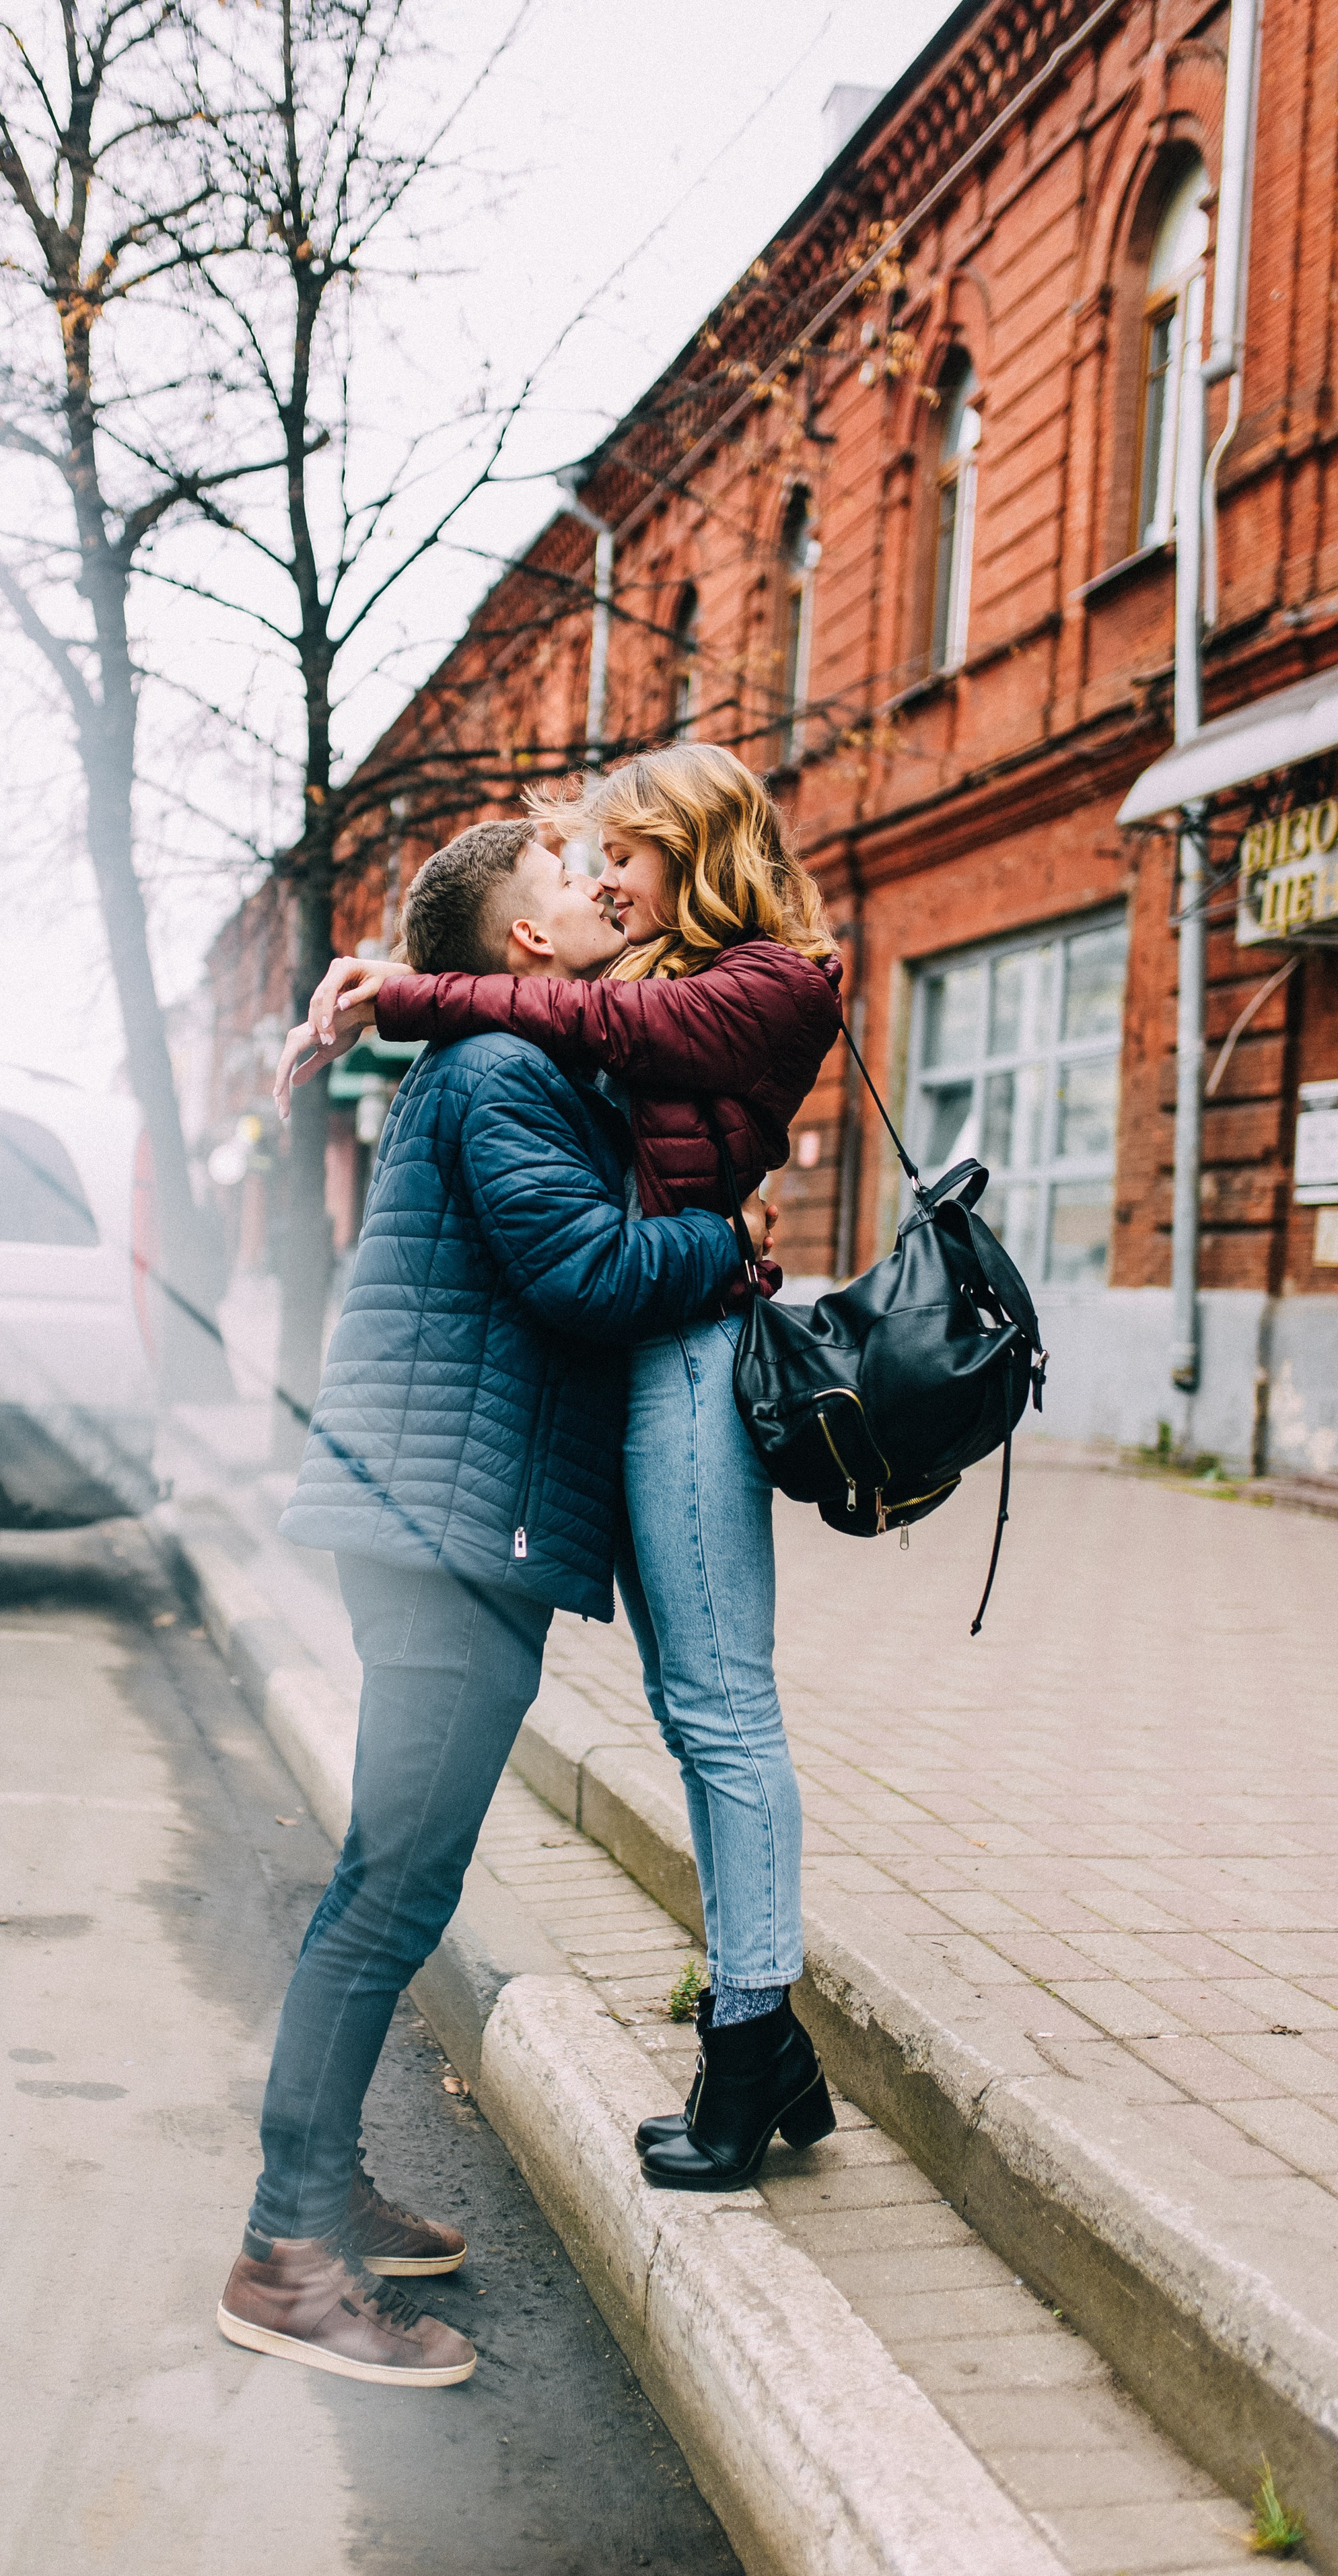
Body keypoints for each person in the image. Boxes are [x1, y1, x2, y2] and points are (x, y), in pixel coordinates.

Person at [220, 816, 765, 2390]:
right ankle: (285, 2252)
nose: (596, 891)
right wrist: (723, 1252)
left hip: (448, 1518)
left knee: (396, 1881)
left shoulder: (503, 1059)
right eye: (561, 883)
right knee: (389, 1887)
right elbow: (587, 1273)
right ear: (520, 945)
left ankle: (319, 2195)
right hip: (447, 1528)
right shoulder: (502, 1075)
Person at [288, 744, 843, 2193]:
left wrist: (390, 993)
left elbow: (564, 1029)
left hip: (684, 1361)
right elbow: (549, 1055)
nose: (600, 873)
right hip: (589, 1397)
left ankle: (749, 2034)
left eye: (621, 851)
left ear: (692, 845)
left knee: (716, 1705)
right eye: (575, 864)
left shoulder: (765, 982)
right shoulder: (578, 1030)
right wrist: (394, 988)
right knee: (663, 1720)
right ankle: (301, 2205)